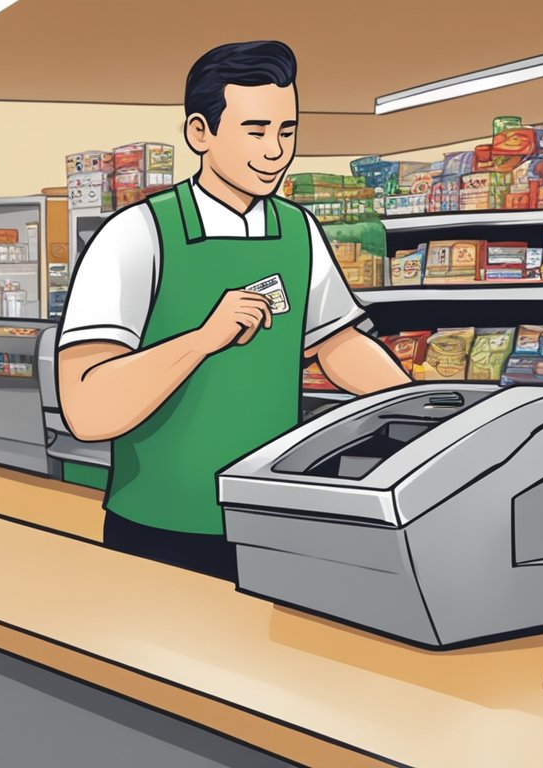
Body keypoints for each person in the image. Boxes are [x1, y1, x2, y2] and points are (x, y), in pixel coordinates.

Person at [57, 41, 409, 581]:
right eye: (255, 130)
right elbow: (86, 409)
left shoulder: (298, 231)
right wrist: (201, 338)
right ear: (200, 132)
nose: (275, 151)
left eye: (286, 132)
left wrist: (429, 412)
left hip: (269, 520)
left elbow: (338, 346)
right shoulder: (137, 235)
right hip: (160, 525)